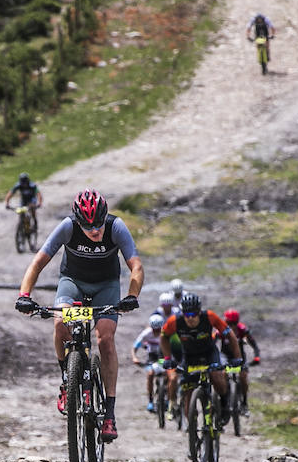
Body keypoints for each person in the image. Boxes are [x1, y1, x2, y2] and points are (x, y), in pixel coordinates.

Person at [15, 189, 144, 442]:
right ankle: (67, 381)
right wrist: (24, 295)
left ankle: (109, 414)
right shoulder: (68, 227)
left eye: (98, 225)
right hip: (72, 281)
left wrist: (132, 296)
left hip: (106, 285)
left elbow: (136, 266)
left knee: (105, 338)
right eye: (88, 226)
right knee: (61, 323)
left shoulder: (116, 227)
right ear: (78, 221)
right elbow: (38, 262)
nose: (95, 231)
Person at [160, 292, 242, 425]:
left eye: (193, 314)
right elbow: (163, 337)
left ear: (199, 312)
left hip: (209, 353)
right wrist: (167, 357)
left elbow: (230, 335)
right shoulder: (175, 321)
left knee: (216, 376)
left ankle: (224, 403)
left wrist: (237, 358)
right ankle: (193, 431)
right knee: (188, 395)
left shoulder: (209, 316)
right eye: (187, 314)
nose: (190, 318)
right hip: (189, 356)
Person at [222, 308, 261, 410]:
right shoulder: (221, 330)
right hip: (225, 357)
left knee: (243, 377)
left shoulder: (242, 330)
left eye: (234, 323)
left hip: (239, 358)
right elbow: (212, 342)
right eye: (229, 323)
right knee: (223, 374)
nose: (232, 326)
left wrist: (256, 357)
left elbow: (254, 344)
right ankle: (223, 399)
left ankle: (244, 402)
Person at [132, 311, 165, 412]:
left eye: (158, 329)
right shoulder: (146, 333)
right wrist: (134, 357)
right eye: (154, 330)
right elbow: (135, 346)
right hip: (152, 356)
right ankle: (150, 401)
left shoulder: (166, 333)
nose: (156, 332)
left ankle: (167, 396)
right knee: (150, 374)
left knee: (168, 373)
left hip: (163, 355)